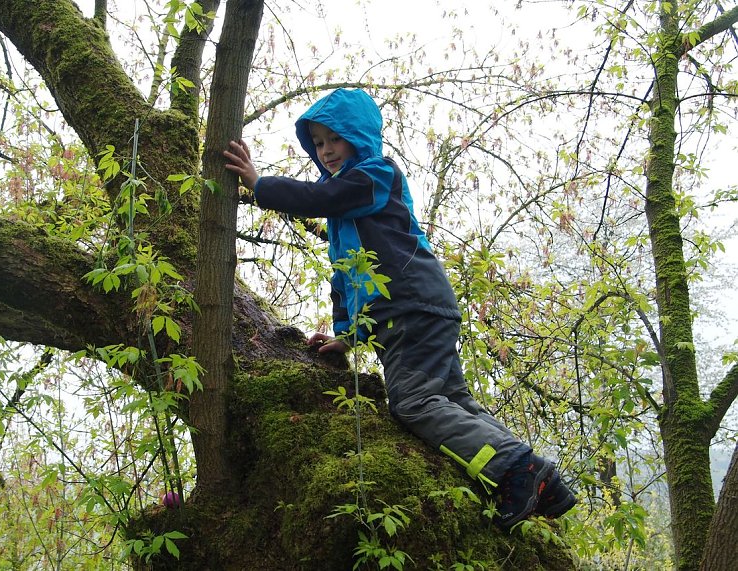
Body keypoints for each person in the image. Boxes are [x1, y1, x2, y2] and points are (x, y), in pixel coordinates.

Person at [223, 88, 575, 529]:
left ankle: (513, 469)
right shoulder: (348, 206)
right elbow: (348, 276)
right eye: (318, 143)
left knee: (413, 403)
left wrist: (261, 185)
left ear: (359, 137)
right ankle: (544, 481)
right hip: (416, 307)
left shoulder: (375, 174)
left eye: (335, 138)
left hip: (410, 306)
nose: (326, 150)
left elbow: (319, 198)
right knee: (450, 397)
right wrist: (347, 337)